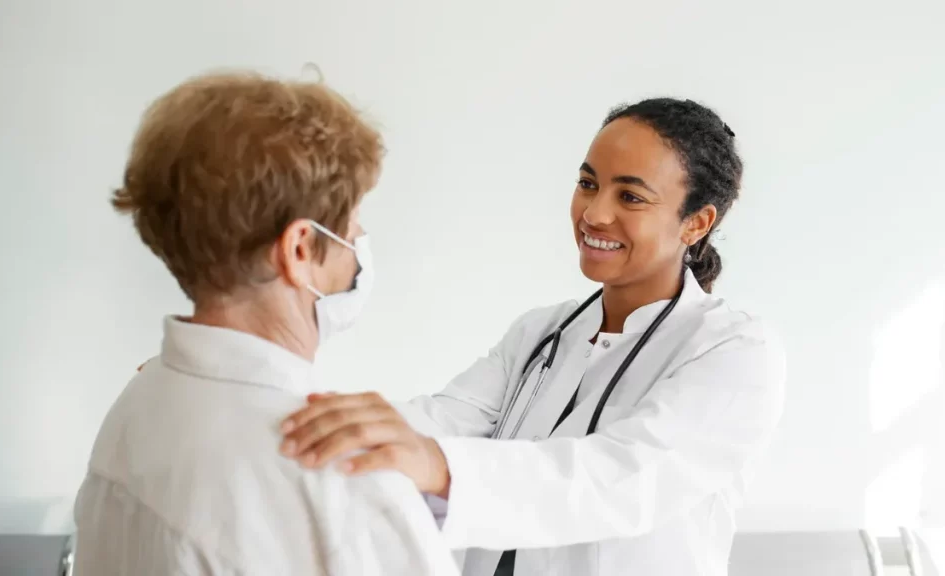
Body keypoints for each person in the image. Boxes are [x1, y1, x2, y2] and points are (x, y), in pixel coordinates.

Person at [277, 98, 787, 576]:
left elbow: (618, 479)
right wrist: (311, 425)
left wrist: (437, 465)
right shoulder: (542, 332)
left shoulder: (732, 351)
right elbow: (444, 419)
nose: (594, 213)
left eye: (629, 196)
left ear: (696, 223)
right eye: (588, 183)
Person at [74, 71, 459, 575]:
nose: (359, 241)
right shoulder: (344, 478)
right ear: (300, 250)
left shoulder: (137, 406)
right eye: (352, 223)